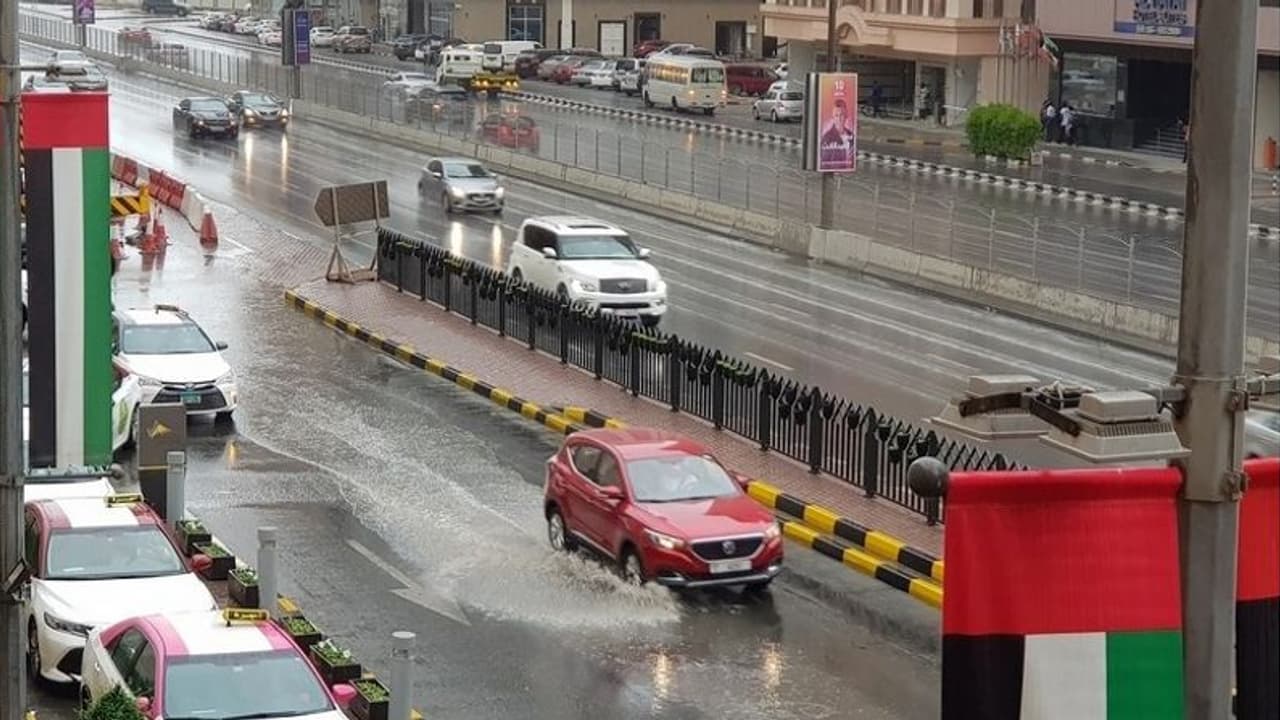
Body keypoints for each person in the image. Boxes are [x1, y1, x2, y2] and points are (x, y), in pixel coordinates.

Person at [820, 98, 854, 169]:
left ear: (846, 116)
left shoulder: (851, 135)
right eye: (836, 115)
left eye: (841, 115)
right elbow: (824, 163)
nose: (839, 119)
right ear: (833, 117)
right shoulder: (827, 138)